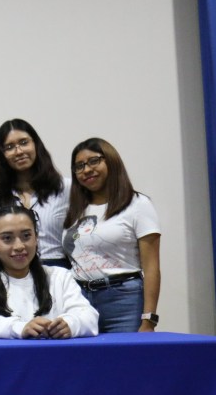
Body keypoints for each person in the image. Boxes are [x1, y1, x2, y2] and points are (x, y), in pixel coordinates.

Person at [62, 138, 161, 333]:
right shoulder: (74, 209)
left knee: (125, 353)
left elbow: (151, 267)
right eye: (79, 166)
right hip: (79, 301)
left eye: (94, 161)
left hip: (123, 300)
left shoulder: (138, 204)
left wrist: (149, 320)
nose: (86, 170)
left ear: (111, 161)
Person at [0, 205, 98, 339]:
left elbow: (88, 316)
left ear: (36, 238)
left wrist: (70, 324)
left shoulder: (59, 276)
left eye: (26, 236)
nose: (19, 246)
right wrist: (20, 328)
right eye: (7, 238)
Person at [0, 119, 70, 267]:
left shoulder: (65, 188)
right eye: (9, 147)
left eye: (23, 142)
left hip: (58, 268)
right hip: (14, 271)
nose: (19, 151)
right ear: (2, 155)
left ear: (36, 144)